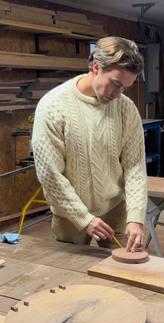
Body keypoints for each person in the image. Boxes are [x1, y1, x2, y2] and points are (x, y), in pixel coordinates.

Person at [32, 36, 147, 252]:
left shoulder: (125, 108)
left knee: (126, 272)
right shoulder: (53, 107)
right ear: (96, 67)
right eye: (116, 84)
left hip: (115, 208)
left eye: (125, 88)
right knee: (69, 274)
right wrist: (84, 218)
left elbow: (135, 167)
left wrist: (135, 217)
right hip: (70, 212)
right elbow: (51, 175)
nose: (118, 94)